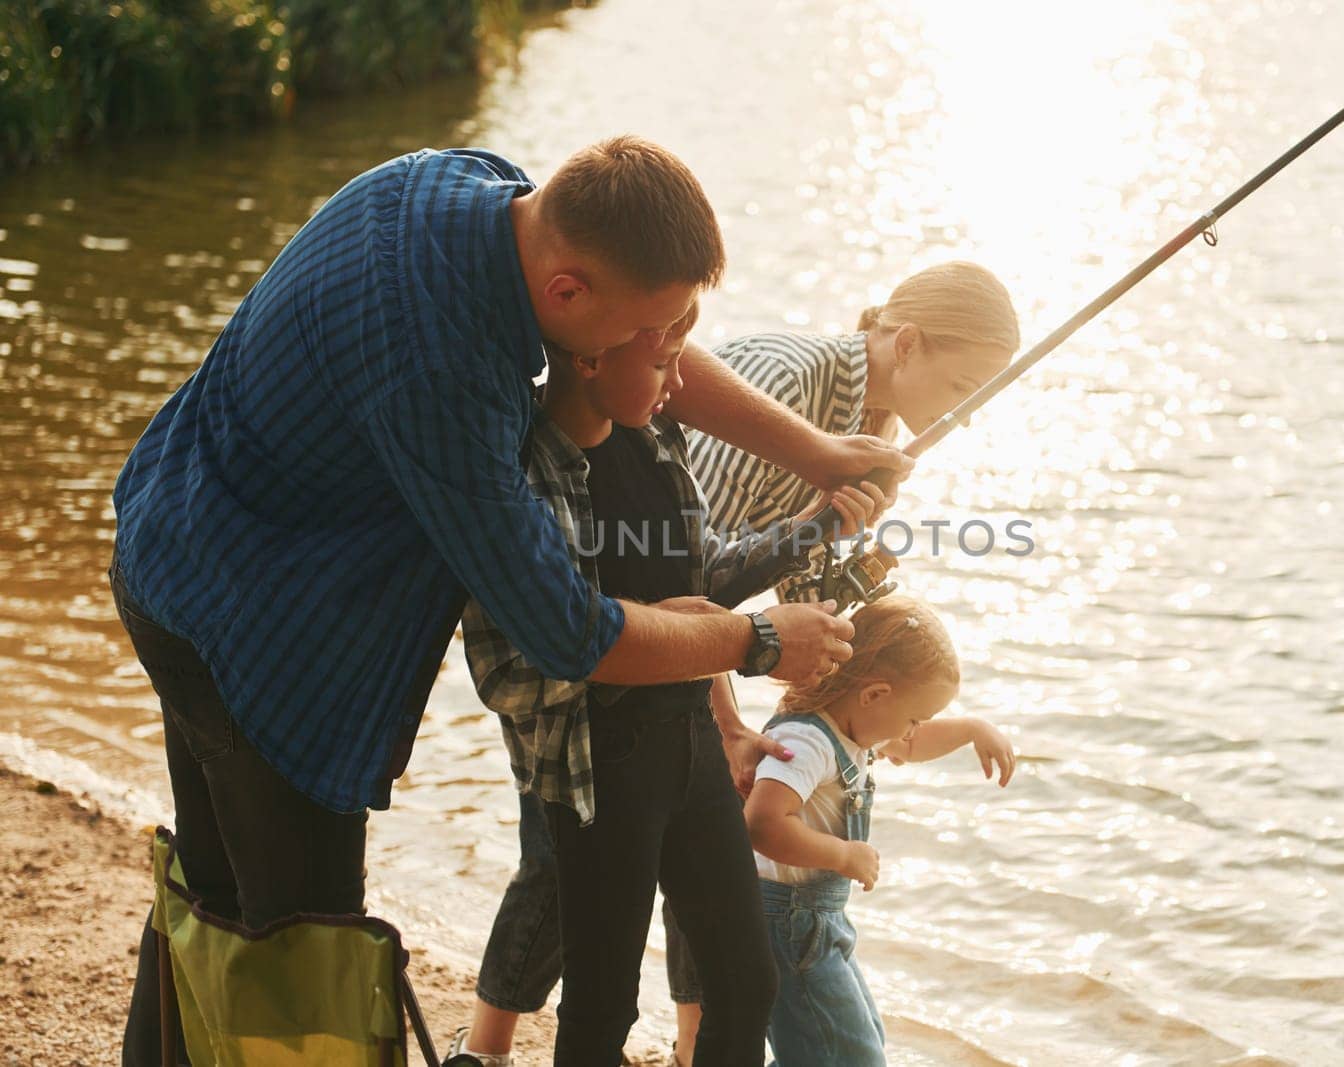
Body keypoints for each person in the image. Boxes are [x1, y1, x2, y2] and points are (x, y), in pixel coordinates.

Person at [110, 136, 908, 1066]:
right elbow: (570, 630)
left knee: (211, 898)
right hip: (255, 630)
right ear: (568, 295)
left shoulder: (476, 189)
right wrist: (758, 640)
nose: (662, 356)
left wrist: (820, 454)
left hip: (172, 538)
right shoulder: (445, 372)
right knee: (306, 946)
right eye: (640, 335)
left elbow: (651, 360)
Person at [452, 299, 889, 1066]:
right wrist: (743, 641)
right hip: (603, 770)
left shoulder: (657, 435)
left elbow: (703, 579)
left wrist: (819, 523)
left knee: (746, 983)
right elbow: (556, 647)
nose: (680, 380)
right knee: (601, 1008)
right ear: (589, 355)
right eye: (663, 363)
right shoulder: (528, 467)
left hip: (687, 746)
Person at [669, 259, 1022, 1060]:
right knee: (582, 879)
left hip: (701, 659)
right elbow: (679, 571)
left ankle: (693, 1050)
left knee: (705, 864)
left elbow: (781, 575)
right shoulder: (790, 383)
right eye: (962, 385)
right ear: (907, 342)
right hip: (622, 637)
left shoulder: (874, 420)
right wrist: (726, 719)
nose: (964, 415)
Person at [744, 593, 1007, 1066]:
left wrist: (971, 729)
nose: (911, 732)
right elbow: (762, 823)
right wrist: (844, 856)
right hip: (789, 925)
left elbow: (912, 744)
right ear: (875, 695)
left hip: (818, 921)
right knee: (844, 1053)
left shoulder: (856, 726)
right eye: (913, 718)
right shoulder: (806, 741)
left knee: (853, 1039)